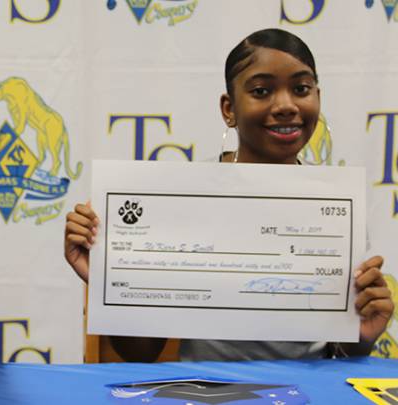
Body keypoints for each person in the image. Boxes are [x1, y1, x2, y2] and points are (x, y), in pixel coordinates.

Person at [64, 28, 394, 362]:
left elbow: (342, 352)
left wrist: (362, 335)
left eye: (301, 89)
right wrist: (110, 280)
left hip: (305, 393)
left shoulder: (336, 208)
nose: (286, 105)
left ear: (318, 98)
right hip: (206, 392)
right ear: (229, 109)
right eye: (262, 91)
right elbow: (139, 353)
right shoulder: (181, 200)